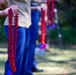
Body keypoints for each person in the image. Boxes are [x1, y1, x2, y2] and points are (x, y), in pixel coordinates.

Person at [3, 0, 32, 75]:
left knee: (23, 59)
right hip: (15, 24)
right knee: (15, 59)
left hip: (26, 23)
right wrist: (6, 11)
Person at [26, 0, 47, 74]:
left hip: (37, 8)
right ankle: (27, 69)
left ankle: (31, 65)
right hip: (32, 8)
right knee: (30, 40)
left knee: (33, 40)